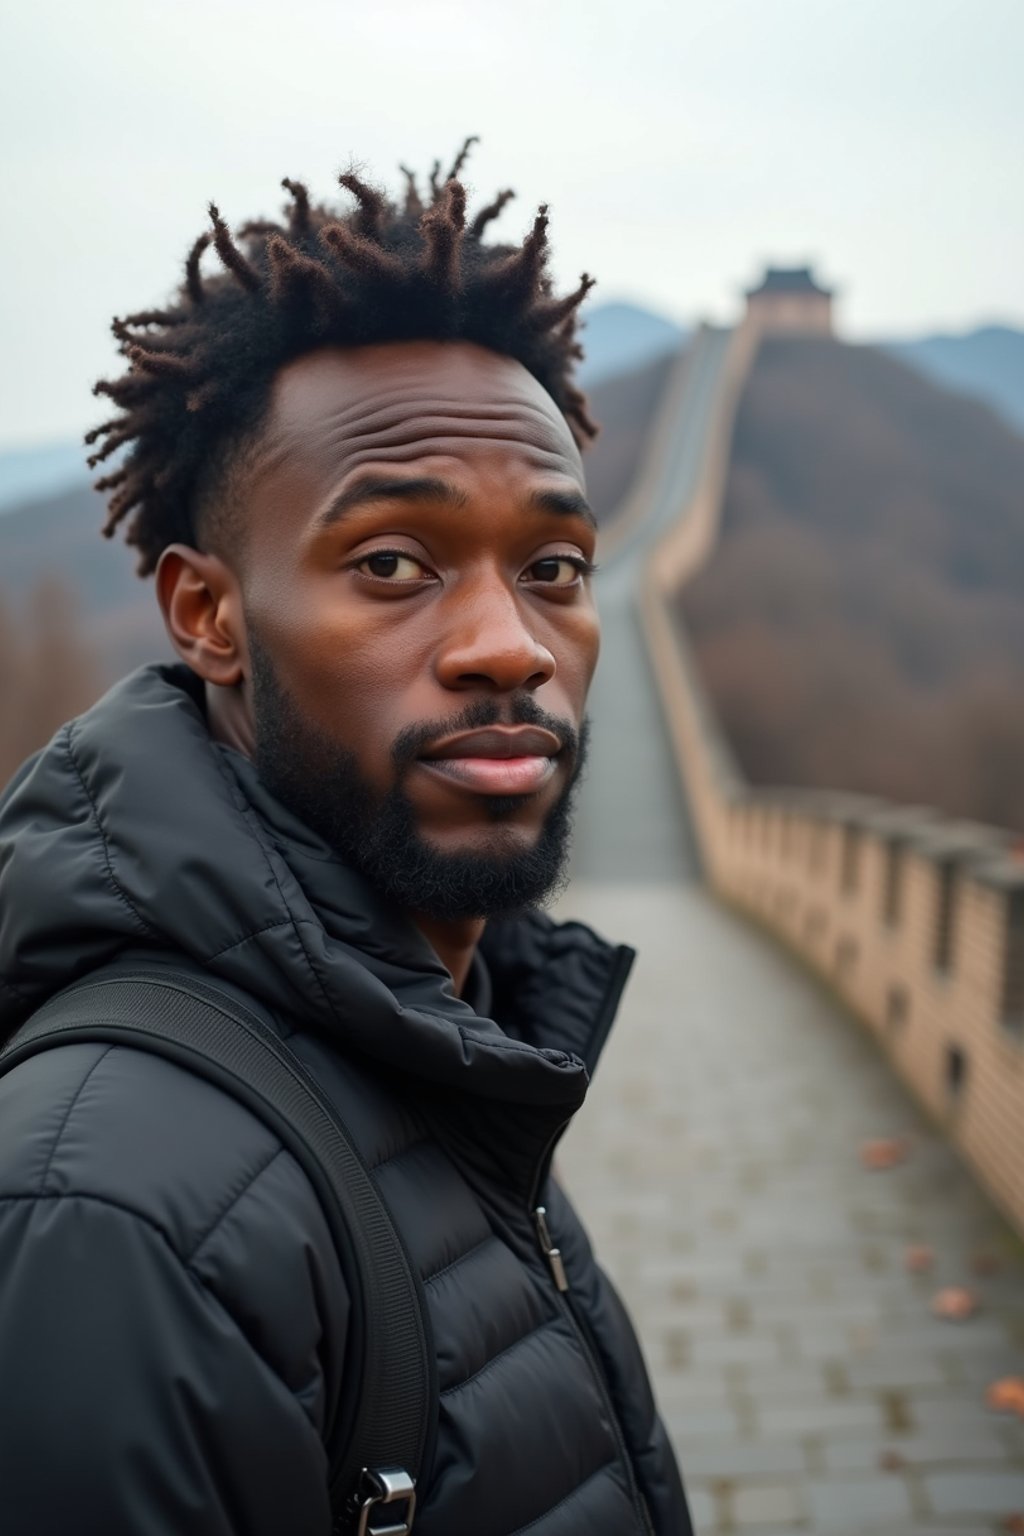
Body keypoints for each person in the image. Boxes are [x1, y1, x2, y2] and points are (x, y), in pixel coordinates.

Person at [0, 141, 692, 1535]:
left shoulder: (445, 1032)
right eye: (392, 565)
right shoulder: (115, 1207)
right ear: (208, 617)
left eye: (554, 569)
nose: (511, 646)